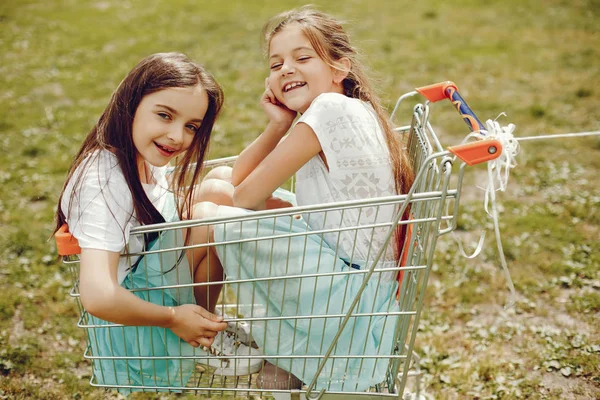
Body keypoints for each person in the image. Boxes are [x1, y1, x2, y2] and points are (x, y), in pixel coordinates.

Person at [207, 6, 415, 392]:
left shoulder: (330, 109)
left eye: (302, 57)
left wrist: (281, 126)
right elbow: (234, 181)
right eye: (276, 63)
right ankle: (205, 324)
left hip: (350, 295)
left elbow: (244, 197)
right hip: (350, 282)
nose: (286, 69)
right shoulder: (346, 109)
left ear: (340, 68)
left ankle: (200, 327)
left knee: (214, 204)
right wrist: (279, 124)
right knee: (216, 183)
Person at [54, 52, 262, 392]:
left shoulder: (140, 157)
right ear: (131, 104)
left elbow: (223, 187)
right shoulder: (102, 182)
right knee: (210, 217)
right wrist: (174, 319)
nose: (177, 136)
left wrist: (278, 127)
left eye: (191, 126)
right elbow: (97, 295)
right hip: (137, 329)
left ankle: (203, 323)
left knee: (219, 185)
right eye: (164, 115)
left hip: (154, 284)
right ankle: (200, 334)